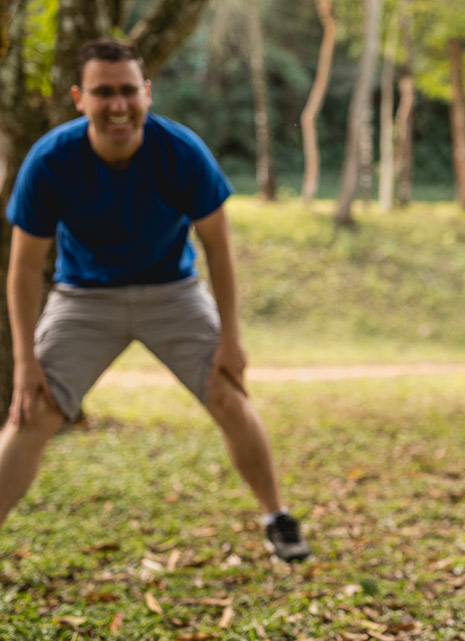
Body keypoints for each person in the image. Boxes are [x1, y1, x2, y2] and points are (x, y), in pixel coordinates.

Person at [0, 38, 310, 562]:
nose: (117, 105)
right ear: (80, 98)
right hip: (84, 297)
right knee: (31, 413)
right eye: (103, 93)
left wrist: (231, 340)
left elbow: (219, 249)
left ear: (147, 92)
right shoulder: (50, 160)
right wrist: (26, 361)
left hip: (173, 291)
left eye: (128, 91)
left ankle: (276, 517)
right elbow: (25, 266)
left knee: (228, 393)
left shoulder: (182, 151)